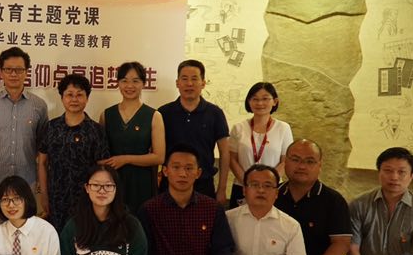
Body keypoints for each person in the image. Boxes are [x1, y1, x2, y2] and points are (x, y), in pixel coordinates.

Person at [0, 47, 48, 223]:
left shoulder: (39, 106)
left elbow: (42, 142)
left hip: (27, 179)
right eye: (8, 69)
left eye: (19, 69)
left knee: (25, 229)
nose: (13, 74)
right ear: (1, 72)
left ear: (26, 72)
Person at [38, 74, 109, 230]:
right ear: (62, 98)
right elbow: (42, 163)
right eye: (69, 95)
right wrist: (44, 195)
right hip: (56, 198)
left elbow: (102, 168)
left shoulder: (96, 130)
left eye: (79, 95)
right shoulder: (51, 127)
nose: (74, 99)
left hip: (87, 198)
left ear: (87, 98)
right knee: (58, 238)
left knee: (85, 237)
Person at [158, 59, 230, 204]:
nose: (189, 84)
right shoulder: (163, 113)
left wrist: (222, 189)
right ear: (177, 83)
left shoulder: (215, 113)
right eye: (184, 79)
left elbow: (225, 153)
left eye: (194, 79)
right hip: (170, 184)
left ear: (203, 83)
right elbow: (156, 152)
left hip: (203, 184)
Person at [100, 61, 165, 214]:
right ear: (118, 83)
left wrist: (126, 159)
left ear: (143, 83)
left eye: (135, 81)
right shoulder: (106, 115)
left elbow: (159, 157)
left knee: (140, 222)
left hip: (141, 182)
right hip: (112, 181)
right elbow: (102, 152)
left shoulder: (154, 115)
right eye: (124, 81)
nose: (130, 86)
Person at [228, 82, 293, 208]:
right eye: (255, 99)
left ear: (275, 101)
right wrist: (248, 183)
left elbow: (285, 161)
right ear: (248, 102)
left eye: (265, 99)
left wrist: (269, 183)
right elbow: (232, 160)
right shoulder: (238, 128)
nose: (260, 103)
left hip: (273, 188)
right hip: (242, 186)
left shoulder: (283, 128)